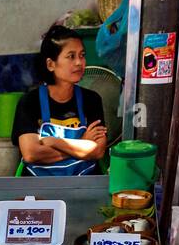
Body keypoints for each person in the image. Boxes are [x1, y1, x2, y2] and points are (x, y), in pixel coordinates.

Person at [12, 24, 108, 176]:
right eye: (71, 56)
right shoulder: (30, 102)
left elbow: (97, 151)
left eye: (82, 55)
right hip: (39, 191)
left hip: (83, 187)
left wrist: (55, 142)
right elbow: (31, 154)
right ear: (51, 64)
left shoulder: (92, 100)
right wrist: (82, 145)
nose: (79, 62)